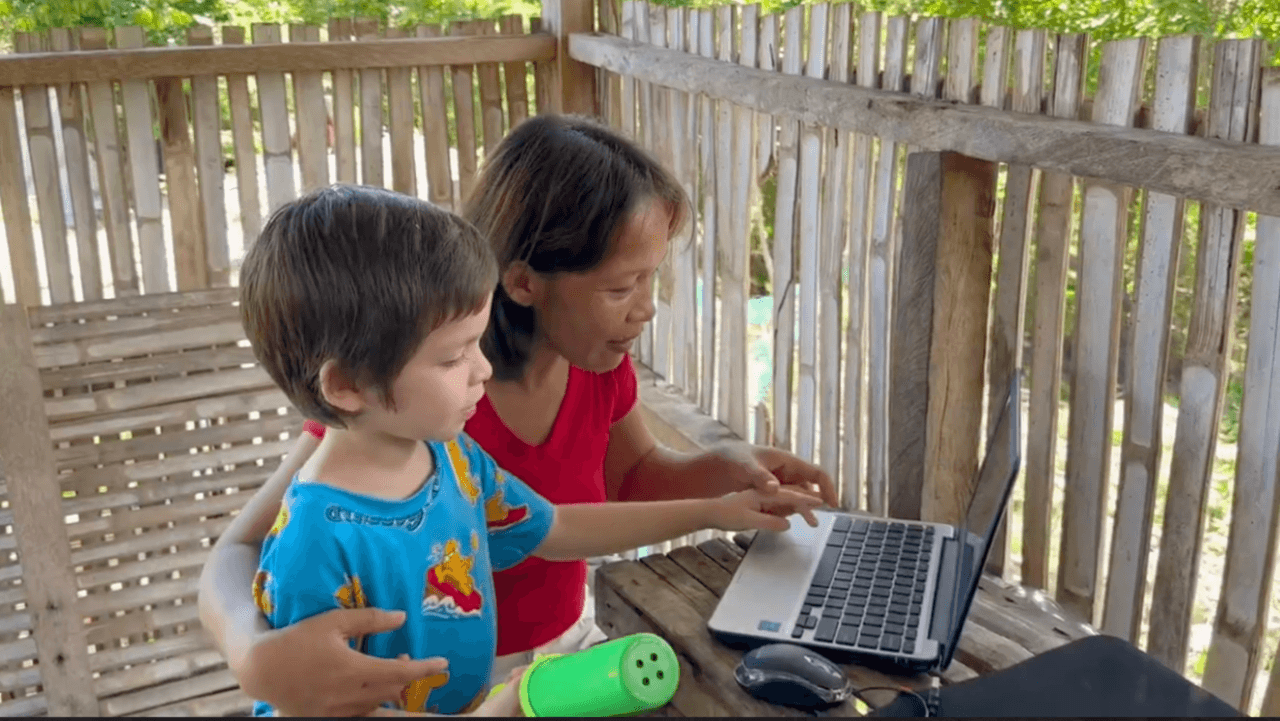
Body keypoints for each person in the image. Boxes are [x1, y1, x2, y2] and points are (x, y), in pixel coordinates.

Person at [198, 115, 839, 718]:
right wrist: (254, 656)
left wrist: (722, 488)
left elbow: (598, 497)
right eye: (622, 286)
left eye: (653, 279)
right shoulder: (394, 424)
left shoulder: (466, 441)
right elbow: (251, 554)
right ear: (525, 281)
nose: (647, 308)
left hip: (556, 646)